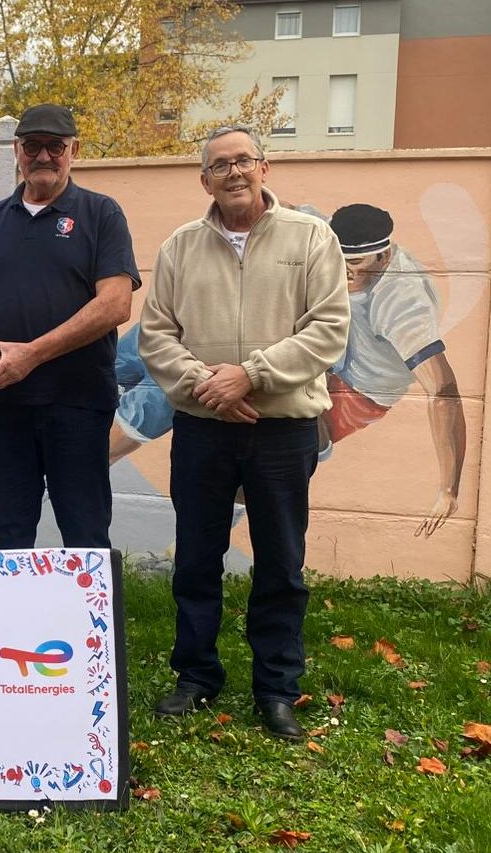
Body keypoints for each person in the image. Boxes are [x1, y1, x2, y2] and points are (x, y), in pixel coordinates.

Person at [138, 125, 349, 739]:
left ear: (265, 167)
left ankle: (277, 687)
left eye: (243, 161)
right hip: (204, 429)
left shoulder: (311, 238)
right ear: (203, 179)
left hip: (282, 430)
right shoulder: (180, 247)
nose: (233, 173)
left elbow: (328, 329)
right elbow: (157, 335)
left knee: (282, 561)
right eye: (219, 165)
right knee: (197, 558)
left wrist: (250, 377)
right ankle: (197, 676)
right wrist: (210, 387)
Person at [0, 103, 139, 549]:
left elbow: (115, 304)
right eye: (34, 146)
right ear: (17, 150)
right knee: (9, 532)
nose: (45, 156)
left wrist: (32, 354)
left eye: (57, 146)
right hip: (4, 401)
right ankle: (10, 619)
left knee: (85, 531)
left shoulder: (101, 214)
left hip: (78, 403)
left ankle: (90, 620)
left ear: (74, 150)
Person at [325, 203, 465, 538]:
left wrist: (449, 489)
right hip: (330, 356)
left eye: (355, 264)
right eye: (337, 261)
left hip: (359, 391)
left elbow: (443, 391)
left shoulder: (402, 303)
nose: (343, 272)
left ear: (384, 257)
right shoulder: (329, 237)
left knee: (287, 434)